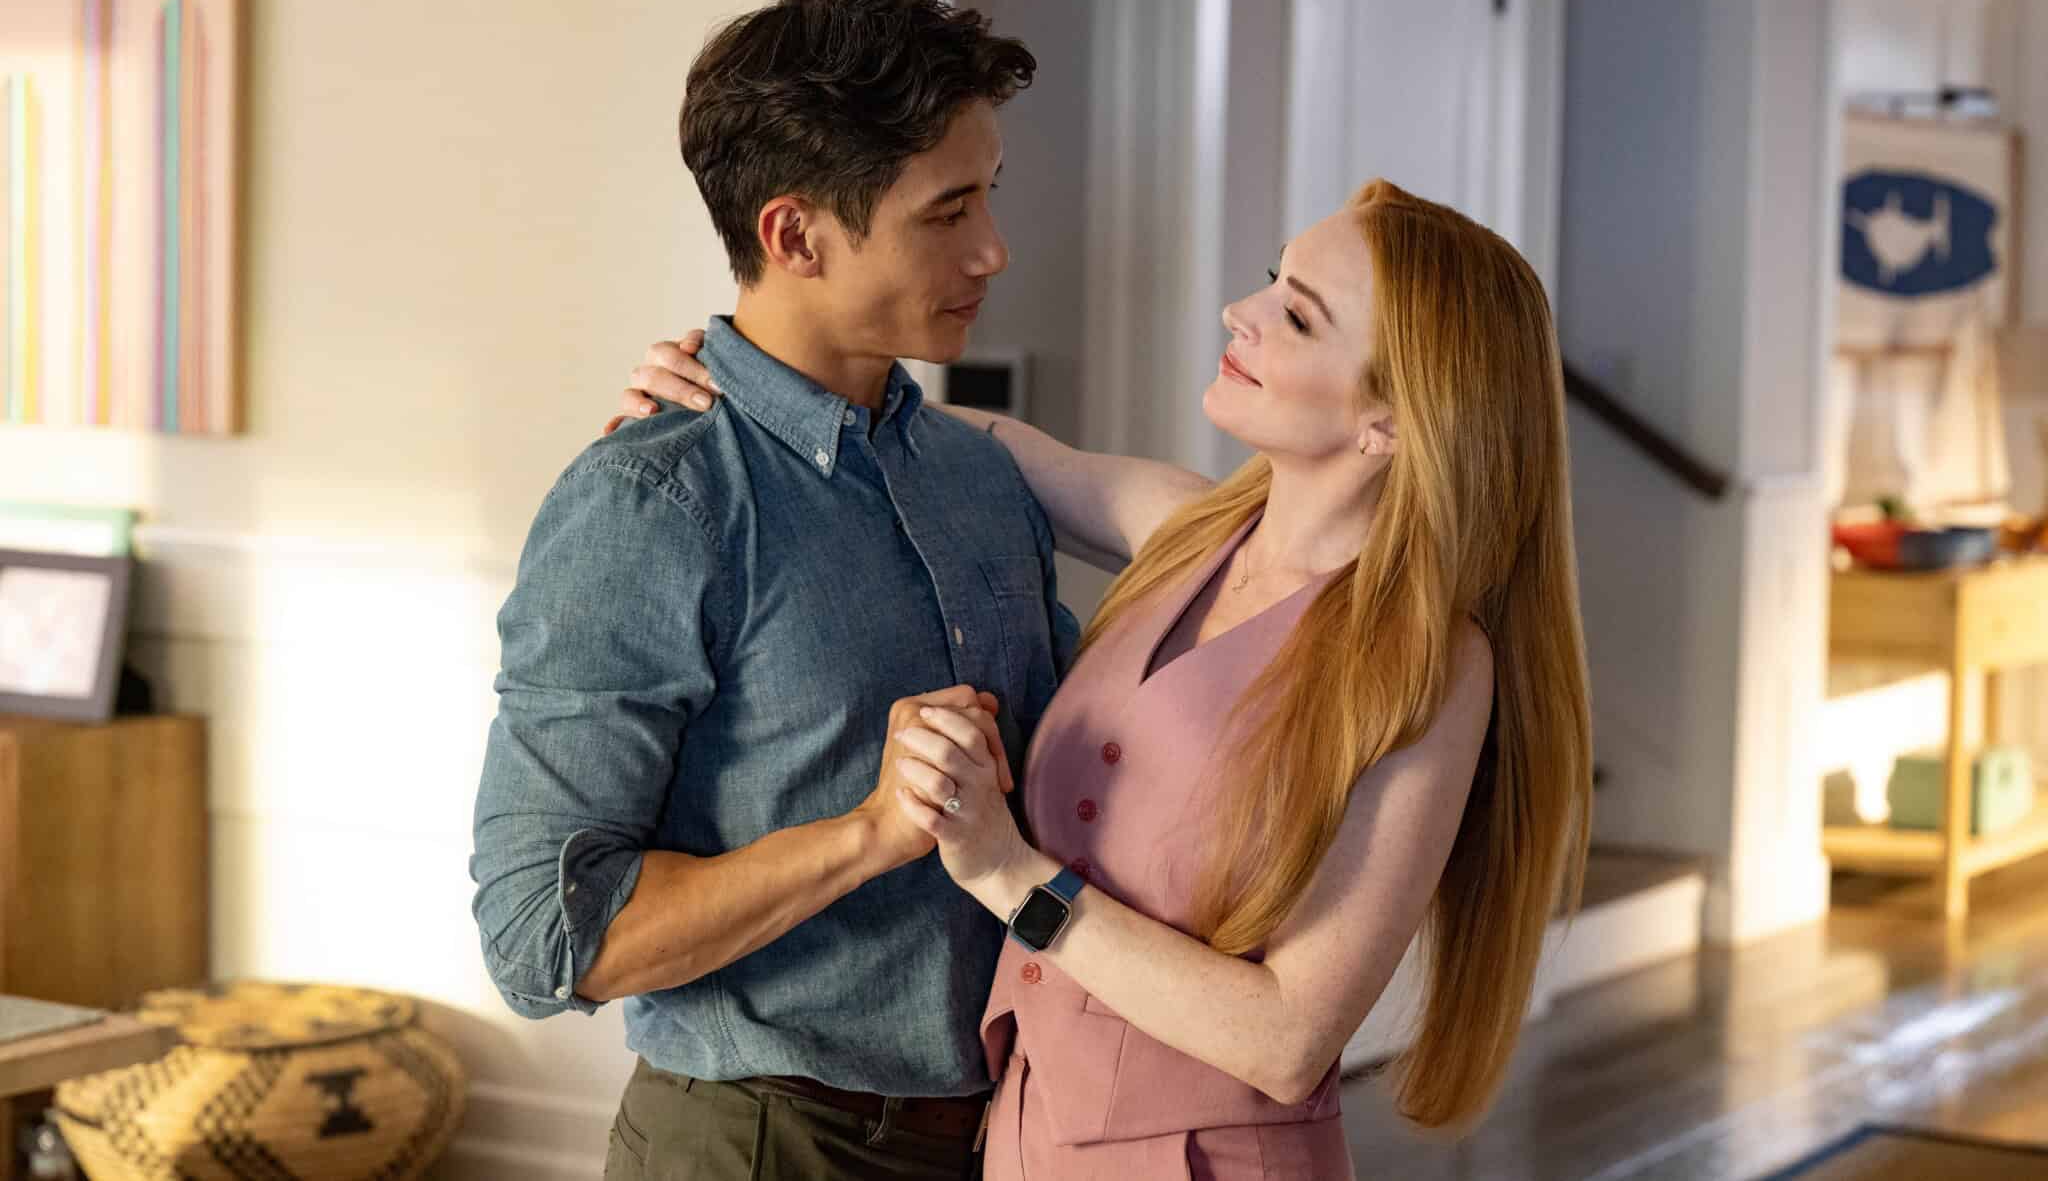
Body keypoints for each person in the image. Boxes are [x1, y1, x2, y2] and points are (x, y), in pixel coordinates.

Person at [620, 178, 1596, 1178]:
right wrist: (737, 388)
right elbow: (935, 440)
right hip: (1021, 1140)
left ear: (1388, 422)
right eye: (1272, 280)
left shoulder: (1428, 666)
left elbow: (1285, 1038)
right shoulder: (1187, 530)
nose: (1240, 312)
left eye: (1295, 314)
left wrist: (1009, 876)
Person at [470, 0, 1082, 1181]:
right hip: (759, 1146)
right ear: (792, 234)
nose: (993, 250)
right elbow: (546, 938)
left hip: (1005, 1134)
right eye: (945, 211)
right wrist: (864, 835)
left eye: (989, 199)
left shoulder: (979, 478)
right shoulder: (653, 501)